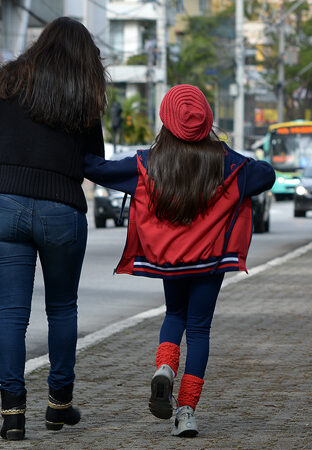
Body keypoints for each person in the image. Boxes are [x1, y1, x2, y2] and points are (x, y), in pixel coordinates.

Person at [84, 84, 275, 437]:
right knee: (199, 329)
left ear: (166, 120)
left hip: (169, 261)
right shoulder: (229, 164)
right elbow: (266, 174)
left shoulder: (147, 163)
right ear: (207, 120)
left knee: (174, 315)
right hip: (210, 262)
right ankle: (186, 411)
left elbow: (99, 169)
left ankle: (165, 370)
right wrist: (224, 149)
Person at [0, 17, 106, 440]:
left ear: (41, 44)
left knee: (11, 315)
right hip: (62, 212)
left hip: (5, 209)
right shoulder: (83, 95)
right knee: (61, 310)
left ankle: (12, 416)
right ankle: (59, 406)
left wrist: (9, 158)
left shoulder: (4, 82)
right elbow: (91, 160)